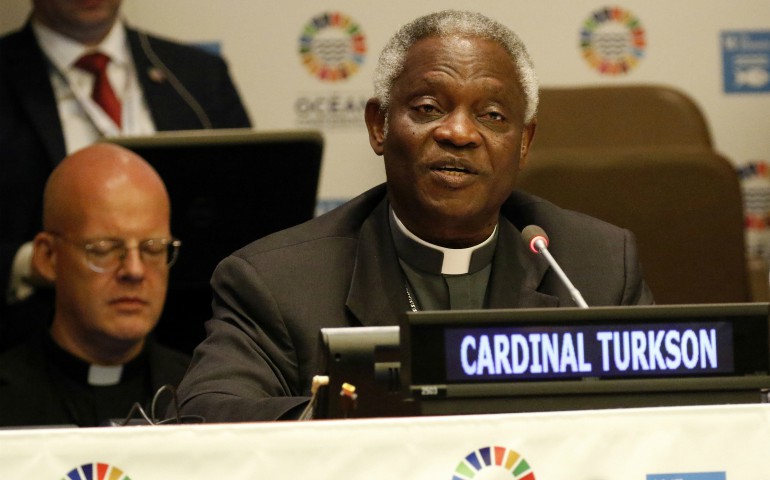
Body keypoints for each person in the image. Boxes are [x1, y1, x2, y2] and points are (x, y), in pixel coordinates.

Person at [174, 10, 654, 422]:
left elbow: (672, 413)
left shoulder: (597, 268)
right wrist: (337, 416)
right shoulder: (278, 282)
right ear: (378, 126)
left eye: (491, 115)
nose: (460, 132)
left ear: (523, 143)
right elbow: (207, 412)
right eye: (428, 107)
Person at [0, 0, 251, 332]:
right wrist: (34, 263)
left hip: (194, 339)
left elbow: (252, 210)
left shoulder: (198, 77)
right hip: (31, 344)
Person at [0, 143, 190, 428]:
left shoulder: (205, 396)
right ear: (48, 257)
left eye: (152, 248)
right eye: (103, 249)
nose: (134, 270)